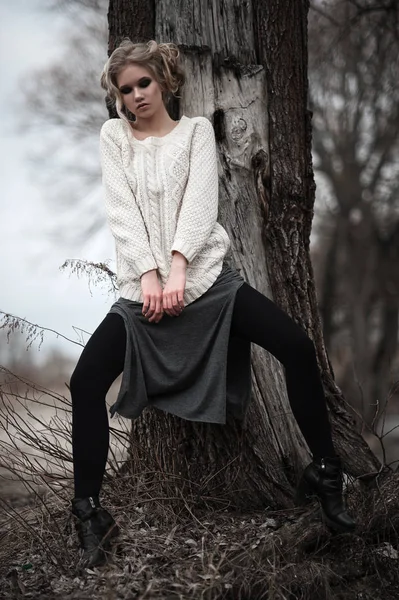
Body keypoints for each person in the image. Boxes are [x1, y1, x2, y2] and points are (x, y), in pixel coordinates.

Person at [69, 38, 356, 569]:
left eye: (143, 83)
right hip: (142, 294)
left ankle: (325, 471)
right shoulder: (115, 138)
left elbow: (201, 205)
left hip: (205, 283)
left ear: (163, 81)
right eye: (125, 89)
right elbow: (122, 212)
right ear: (117, 98)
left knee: (295, 345)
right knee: (84, 382)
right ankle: (90, 514)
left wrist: (178, 268)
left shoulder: (197, 131)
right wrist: (150, 277)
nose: (136, 96)